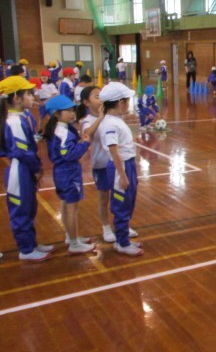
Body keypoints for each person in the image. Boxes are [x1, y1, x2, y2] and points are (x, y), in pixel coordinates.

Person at [0, 76, 54, 262]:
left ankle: (31, 243)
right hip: (20, 169)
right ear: (16, 98)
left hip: (26, 168)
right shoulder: (14, 122)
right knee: (21, 210)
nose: (33, 97)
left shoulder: (22, 117)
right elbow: (23, 151)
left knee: (29, 208)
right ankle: (26, 249)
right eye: (29, 94)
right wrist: (36, 168)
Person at [78, 85, 139, 244]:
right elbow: (87, 134)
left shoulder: (114, 118)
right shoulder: (91, 120)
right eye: (96, 97)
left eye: (101, 96)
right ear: (86, 102)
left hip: (118, 164)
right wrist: (100, 117)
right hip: (103, 164)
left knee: (123, 198)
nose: (100, 99)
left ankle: (123, 227)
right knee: (106, 198)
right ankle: (107, 228)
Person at [44, 95, 95, 254]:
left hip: (62, 171)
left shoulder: (59, 129)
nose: (73, 113)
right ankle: (74, 243)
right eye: (68, 111)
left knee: (66, 204)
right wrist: (85, 143)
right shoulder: (62, 131)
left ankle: (71, 237)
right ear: (56, 114)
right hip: (68, 172)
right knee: (72, 207)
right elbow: (69, 154)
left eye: (73, 110)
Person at [99, 82, 144, 256]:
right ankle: (122, 243)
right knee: (121, 205)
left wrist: (132, 140)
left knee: (128, 202)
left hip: (127, 165)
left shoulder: (116, 121)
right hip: (121, 167)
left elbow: (120, 144)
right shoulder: (110, 124)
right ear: (120, 102)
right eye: (127, 101)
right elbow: (114, 151)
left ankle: (123, 238)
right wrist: (123, 176)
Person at [36, 69, 58, 135]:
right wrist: (39, 101)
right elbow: (37, 94)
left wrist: (46, 101)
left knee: (52, 117)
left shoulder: (51, 85)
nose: (43, 78)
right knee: (41, 117)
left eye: (45, 77)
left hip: (50, 102)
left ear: (48, 77)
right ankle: (40, 130)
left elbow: (54, 94)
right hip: (42, 102)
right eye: (42, 77)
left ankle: (52, 130)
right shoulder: (39, 85)